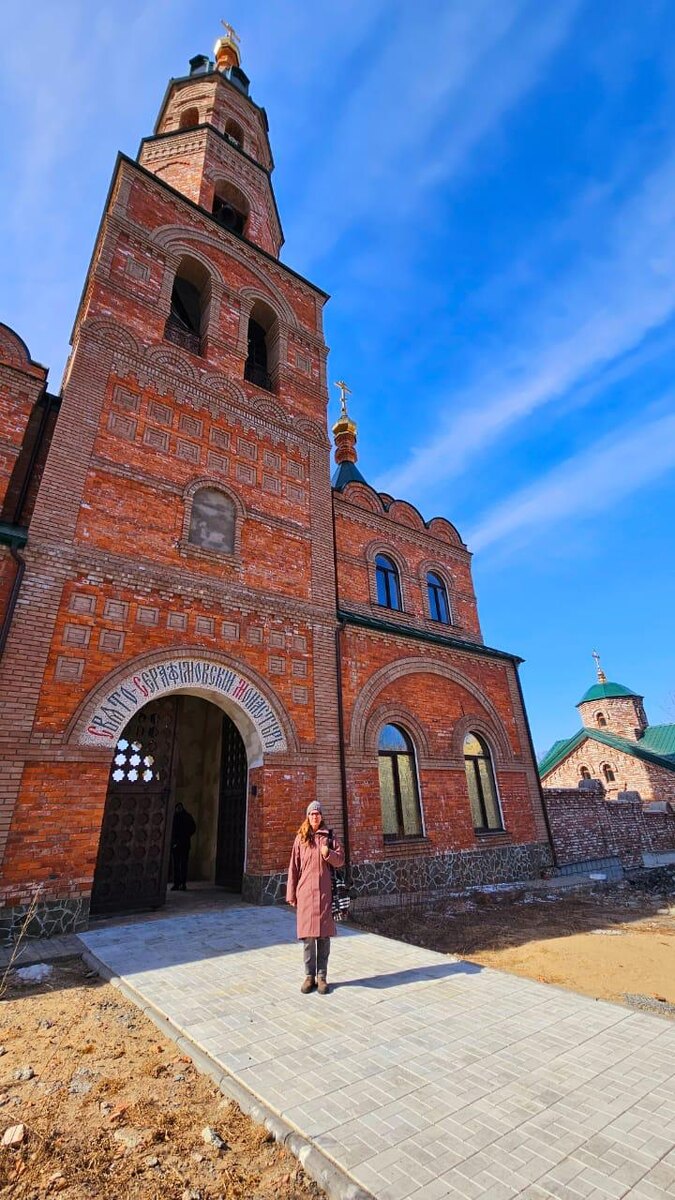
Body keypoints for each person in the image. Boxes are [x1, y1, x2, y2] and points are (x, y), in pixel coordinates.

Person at [286, 800, 345, 995]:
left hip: (324, 894)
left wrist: (328, 854)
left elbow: (341, 860)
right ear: (307, 816)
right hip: (305, 894)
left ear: (321, 816)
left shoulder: (329, 836)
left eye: (318, 814)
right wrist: (291, 893)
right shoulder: (301, 838)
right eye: (312, 814)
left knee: (324, 937)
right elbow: (293, 868)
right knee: (308, 938)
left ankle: (322, 977)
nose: (315, 817)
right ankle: (309, 976)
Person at [171, 801, 196, 891]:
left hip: (181, 844)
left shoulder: (184, 817)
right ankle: (178, 883)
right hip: (180, 844)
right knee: (178, 865)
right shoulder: (178, 817)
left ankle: (181, 883)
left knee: (181, 865)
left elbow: (193, 828)